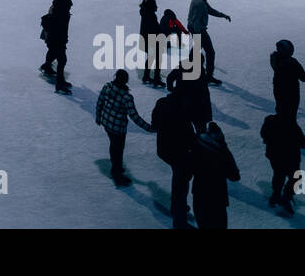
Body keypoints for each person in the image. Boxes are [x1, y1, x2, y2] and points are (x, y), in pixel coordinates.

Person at [95, 69, 153, 186]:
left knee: (113, 145)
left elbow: (100, 102)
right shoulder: (126, 97)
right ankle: (117, 173)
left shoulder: (107, 87)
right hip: (118, 128)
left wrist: (98, 116)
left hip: (107, 122)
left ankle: (116, 166)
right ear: (125, 81)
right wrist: (149, 128)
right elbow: (134, 116)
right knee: (118, 149)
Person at [151, 85, 196, 226]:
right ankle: (179, 214)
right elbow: (188, 132)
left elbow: (155, 124)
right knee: (181, 183)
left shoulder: (161, 103)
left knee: (178, 178)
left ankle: (176, 207)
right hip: (179, 151)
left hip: (164, 148)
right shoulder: (183, 109)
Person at [261, 111, 305, 215]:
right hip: (290, 157)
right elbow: (304, 142)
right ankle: (286, 197)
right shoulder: (292, 126)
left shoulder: (269, 120)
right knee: (296, 178)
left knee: (279, 174)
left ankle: (276, 195)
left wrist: (269, 141)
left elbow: (263, 133)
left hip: (274, 155)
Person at [189, 122, 240, 230]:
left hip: (199, 193)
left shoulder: (197, 145)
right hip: (218, 197)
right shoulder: (223, 153)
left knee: (203, 225)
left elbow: (189, 167)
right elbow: (235, 176)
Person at [187, 0, 230, 86]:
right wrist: (198, 34)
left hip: (195, 28)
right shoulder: (200, 3)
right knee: (210, 52)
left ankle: (189, 67)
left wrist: (222, 15)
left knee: (197, 48)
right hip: (198, 29)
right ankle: (208, 76)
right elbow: (196, 20)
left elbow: (209, 10)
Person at [40, 0, 73, 94]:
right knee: (62, 60)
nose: (70, 8)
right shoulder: (59, 16)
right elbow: (59, 31)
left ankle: (47, 66)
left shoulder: (59, 12)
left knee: (52, 53)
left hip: (55, 40)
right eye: (69, 7)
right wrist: (62, 41)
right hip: (57, 41)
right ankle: (59, 84)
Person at [270, 39, 305, 120]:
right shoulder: (292, 62)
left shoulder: (274, 58)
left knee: (281, 111)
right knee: (291, 115)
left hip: (278, 88)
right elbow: (304, 78)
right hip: (291, 92)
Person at [139, 0, 164, 87]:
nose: (157, 7)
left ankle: (146, 76)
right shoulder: (151, 16)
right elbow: (154, 29)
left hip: (146, 39)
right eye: (155, 6)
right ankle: (156, 79)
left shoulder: (145, 13)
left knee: (151, 57)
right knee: (158, 59)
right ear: (151, 7)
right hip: (151, 40)